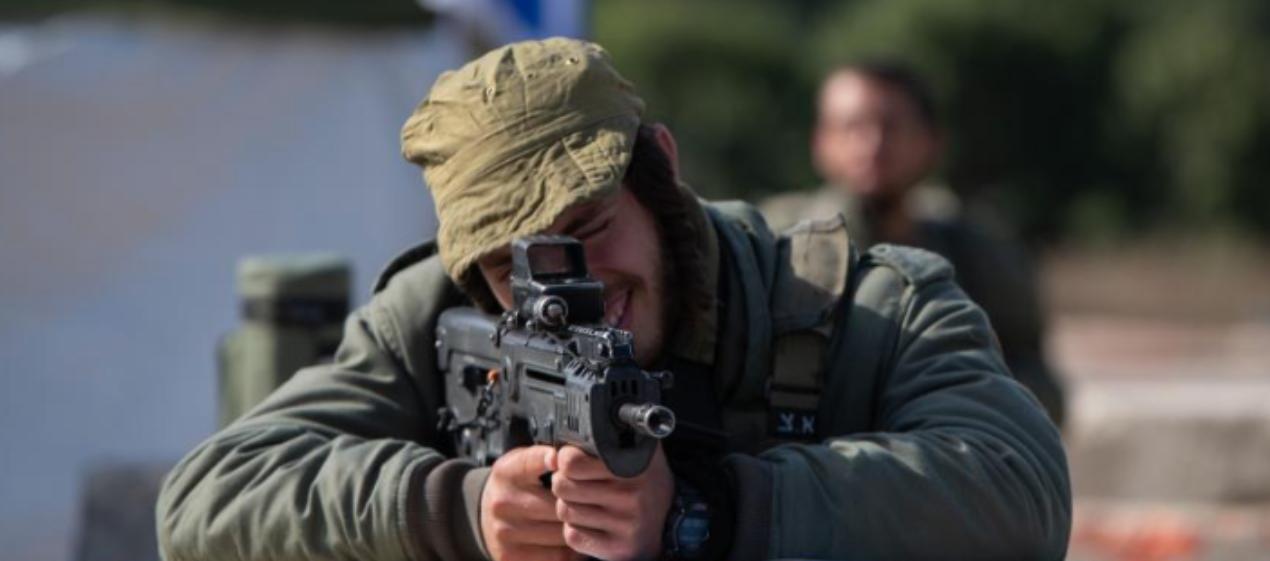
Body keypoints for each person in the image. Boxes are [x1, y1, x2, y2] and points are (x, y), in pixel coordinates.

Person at [157, 38, 1070, 561]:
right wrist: (458, 509)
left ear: (662, 171)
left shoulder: (878, 306)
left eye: (587, 228)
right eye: (517, 263)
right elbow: (204, 500)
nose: (570, 290)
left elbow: (1020, 489)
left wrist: (707, 511)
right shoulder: (438, 309)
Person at [761, 61, 1066, 426]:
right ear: (820, 142)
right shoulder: (775, 242)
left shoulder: (976, 252)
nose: (872, 144)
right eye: (851, 126)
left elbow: (1040, 386)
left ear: (931, 142)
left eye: (890, 127)